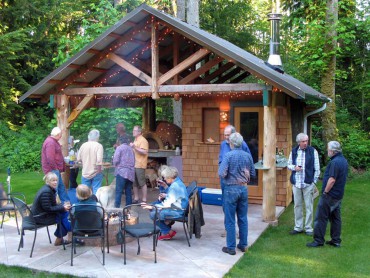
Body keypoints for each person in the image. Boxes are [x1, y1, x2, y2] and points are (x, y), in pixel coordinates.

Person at [218, 132, 255, 255]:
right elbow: (253, 174)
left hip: (230, 189)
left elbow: (221, 173)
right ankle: (243, 245)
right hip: (243, 189)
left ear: (232, 143)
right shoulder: (248, 156)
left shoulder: (228, 156)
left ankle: (231, 248)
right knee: (243, 218)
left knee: (230, 220)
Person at [307, 141, 348, 248]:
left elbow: (332, 180)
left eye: (328, 150)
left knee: (321, 217)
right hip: (338, 195)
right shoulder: (343, 160)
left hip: (330, 195)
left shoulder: (334, 162)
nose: (327, 152)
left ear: (333, 151)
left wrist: (325, 192)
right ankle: (336, 240)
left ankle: (318, 240)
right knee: (335, 218)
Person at [287, 133, 320, 236]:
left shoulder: (312, 151)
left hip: (308, 183)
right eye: (303, 141)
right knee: (297, 205)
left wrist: (313, 181)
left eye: (306, 141)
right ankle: (298, 227)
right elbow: (288, 165)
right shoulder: (294, 151)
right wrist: (294, 168)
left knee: (309, 206)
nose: (306, 143)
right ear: (299, 142)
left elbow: (317, 168)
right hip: (296, 183)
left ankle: (308, 228)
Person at [146, 166, 188, 240]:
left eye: (165, 177)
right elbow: (174, 195)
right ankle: (166, 226)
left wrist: (152, 207)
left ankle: (168, 231)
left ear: (170, 177)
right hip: (179, 207)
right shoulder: (178, 182)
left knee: (153, 214)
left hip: (177, 211)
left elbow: (166, 204)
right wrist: (165, 187)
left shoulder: (174, 186)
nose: (164, 179)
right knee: (154, 209)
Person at [31, 172, 71, 246]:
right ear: (48, 181)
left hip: (42, 213)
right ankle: (67, 234)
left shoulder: (48, 189)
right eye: (53, 180)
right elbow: (48, 208)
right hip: (40, 217)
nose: (55, 182)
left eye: (56, 180)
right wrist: (62, 207)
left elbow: (50, 205)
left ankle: (60, 238)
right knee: (63, 217)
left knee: (64, 213)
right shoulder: (46, 192)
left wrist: (62, 206)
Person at [41, 127, 70, 203]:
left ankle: (67, 204)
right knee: (54, 190)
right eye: (60, 135)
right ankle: (52, 207)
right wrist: (56, 168)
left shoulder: (53, 141)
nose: (61, 136)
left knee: (61, 187)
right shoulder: (50, 142)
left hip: (55, 170)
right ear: (57, 134)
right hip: (52, 170)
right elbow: (50, 158)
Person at [77, 129, 104, 195]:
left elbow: (78, 159)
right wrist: (99, 171)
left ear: (89, 136)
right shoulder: (99, 146)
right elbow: (99, 160)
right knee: (96, 191)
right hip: (96, 172)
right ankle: (95, 204)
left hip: (85, 172)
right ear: (97, 137)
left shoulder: (83, 145)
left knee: (85, 192)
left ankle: (85, 204)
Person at [113, 136, 135, 208]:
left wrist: (115, 164)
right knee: (128, 191)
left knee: (118, 191)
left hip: (121, 172)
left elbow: (115, 160)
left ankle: (116, 208)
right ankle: (128, 209)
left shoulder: (119, 148)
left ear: (120, 141)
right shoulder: (131, 149)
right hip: (130, 173)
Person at [130, 126, 149, 203]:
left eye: (135, 130)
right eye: (133, 130)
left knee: (142, 183)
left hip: (140, 165)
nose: (133, 131)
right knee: (134, 183)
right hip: (134, 164)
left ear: (139, 132)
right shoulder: (136, 139)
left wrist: (134, 147)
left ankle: (144, 199)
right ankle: (136, 198)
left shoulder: (143, 140)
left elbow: (144, 152)